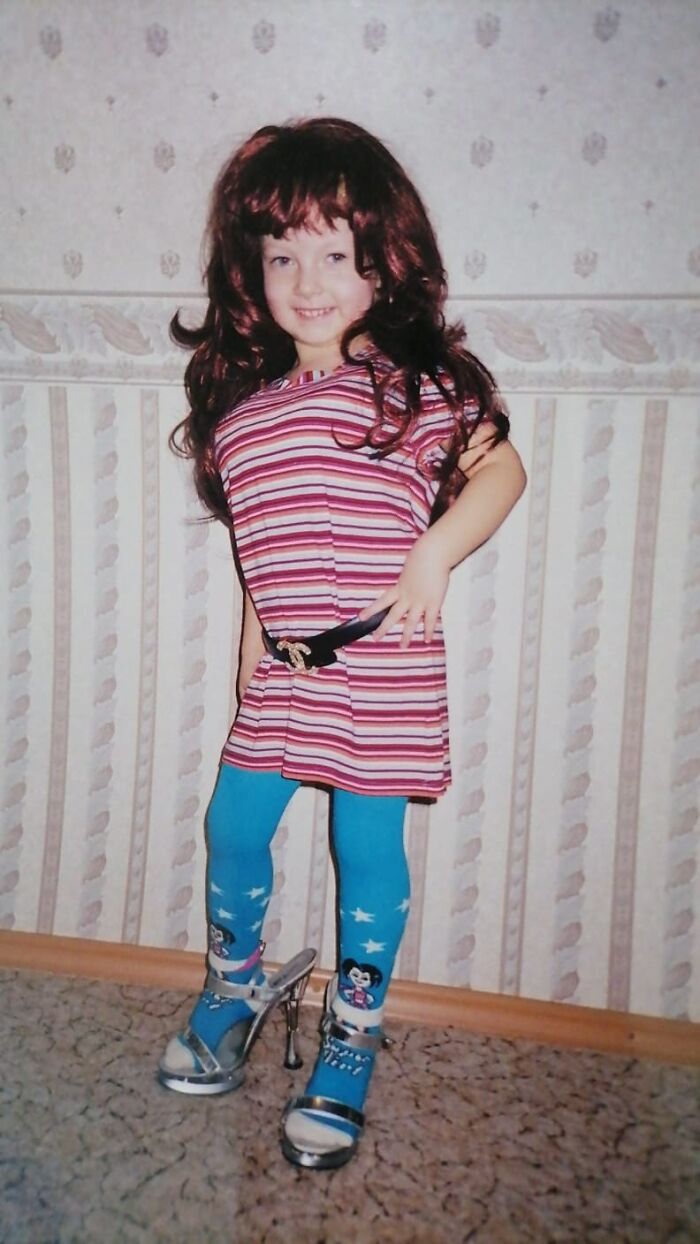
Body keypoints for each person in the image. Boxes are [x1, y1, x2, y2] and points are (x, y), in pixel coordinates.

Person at [159, 117, 526, 1169]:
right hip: (283, 671)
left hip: (382, 667)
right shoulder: (242, 408)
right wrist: (245, 674)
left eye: (335, 253)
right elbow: (255, 564)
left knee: (366, 848)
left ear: (382, 263)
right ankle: (237, 983)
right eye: (282, 256)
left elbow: (501, 472)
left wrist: (434, 556)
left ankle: (353, 1034)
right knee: (233, 821)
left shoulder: (421, 388)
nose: (307, 280)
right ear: (252, 270)